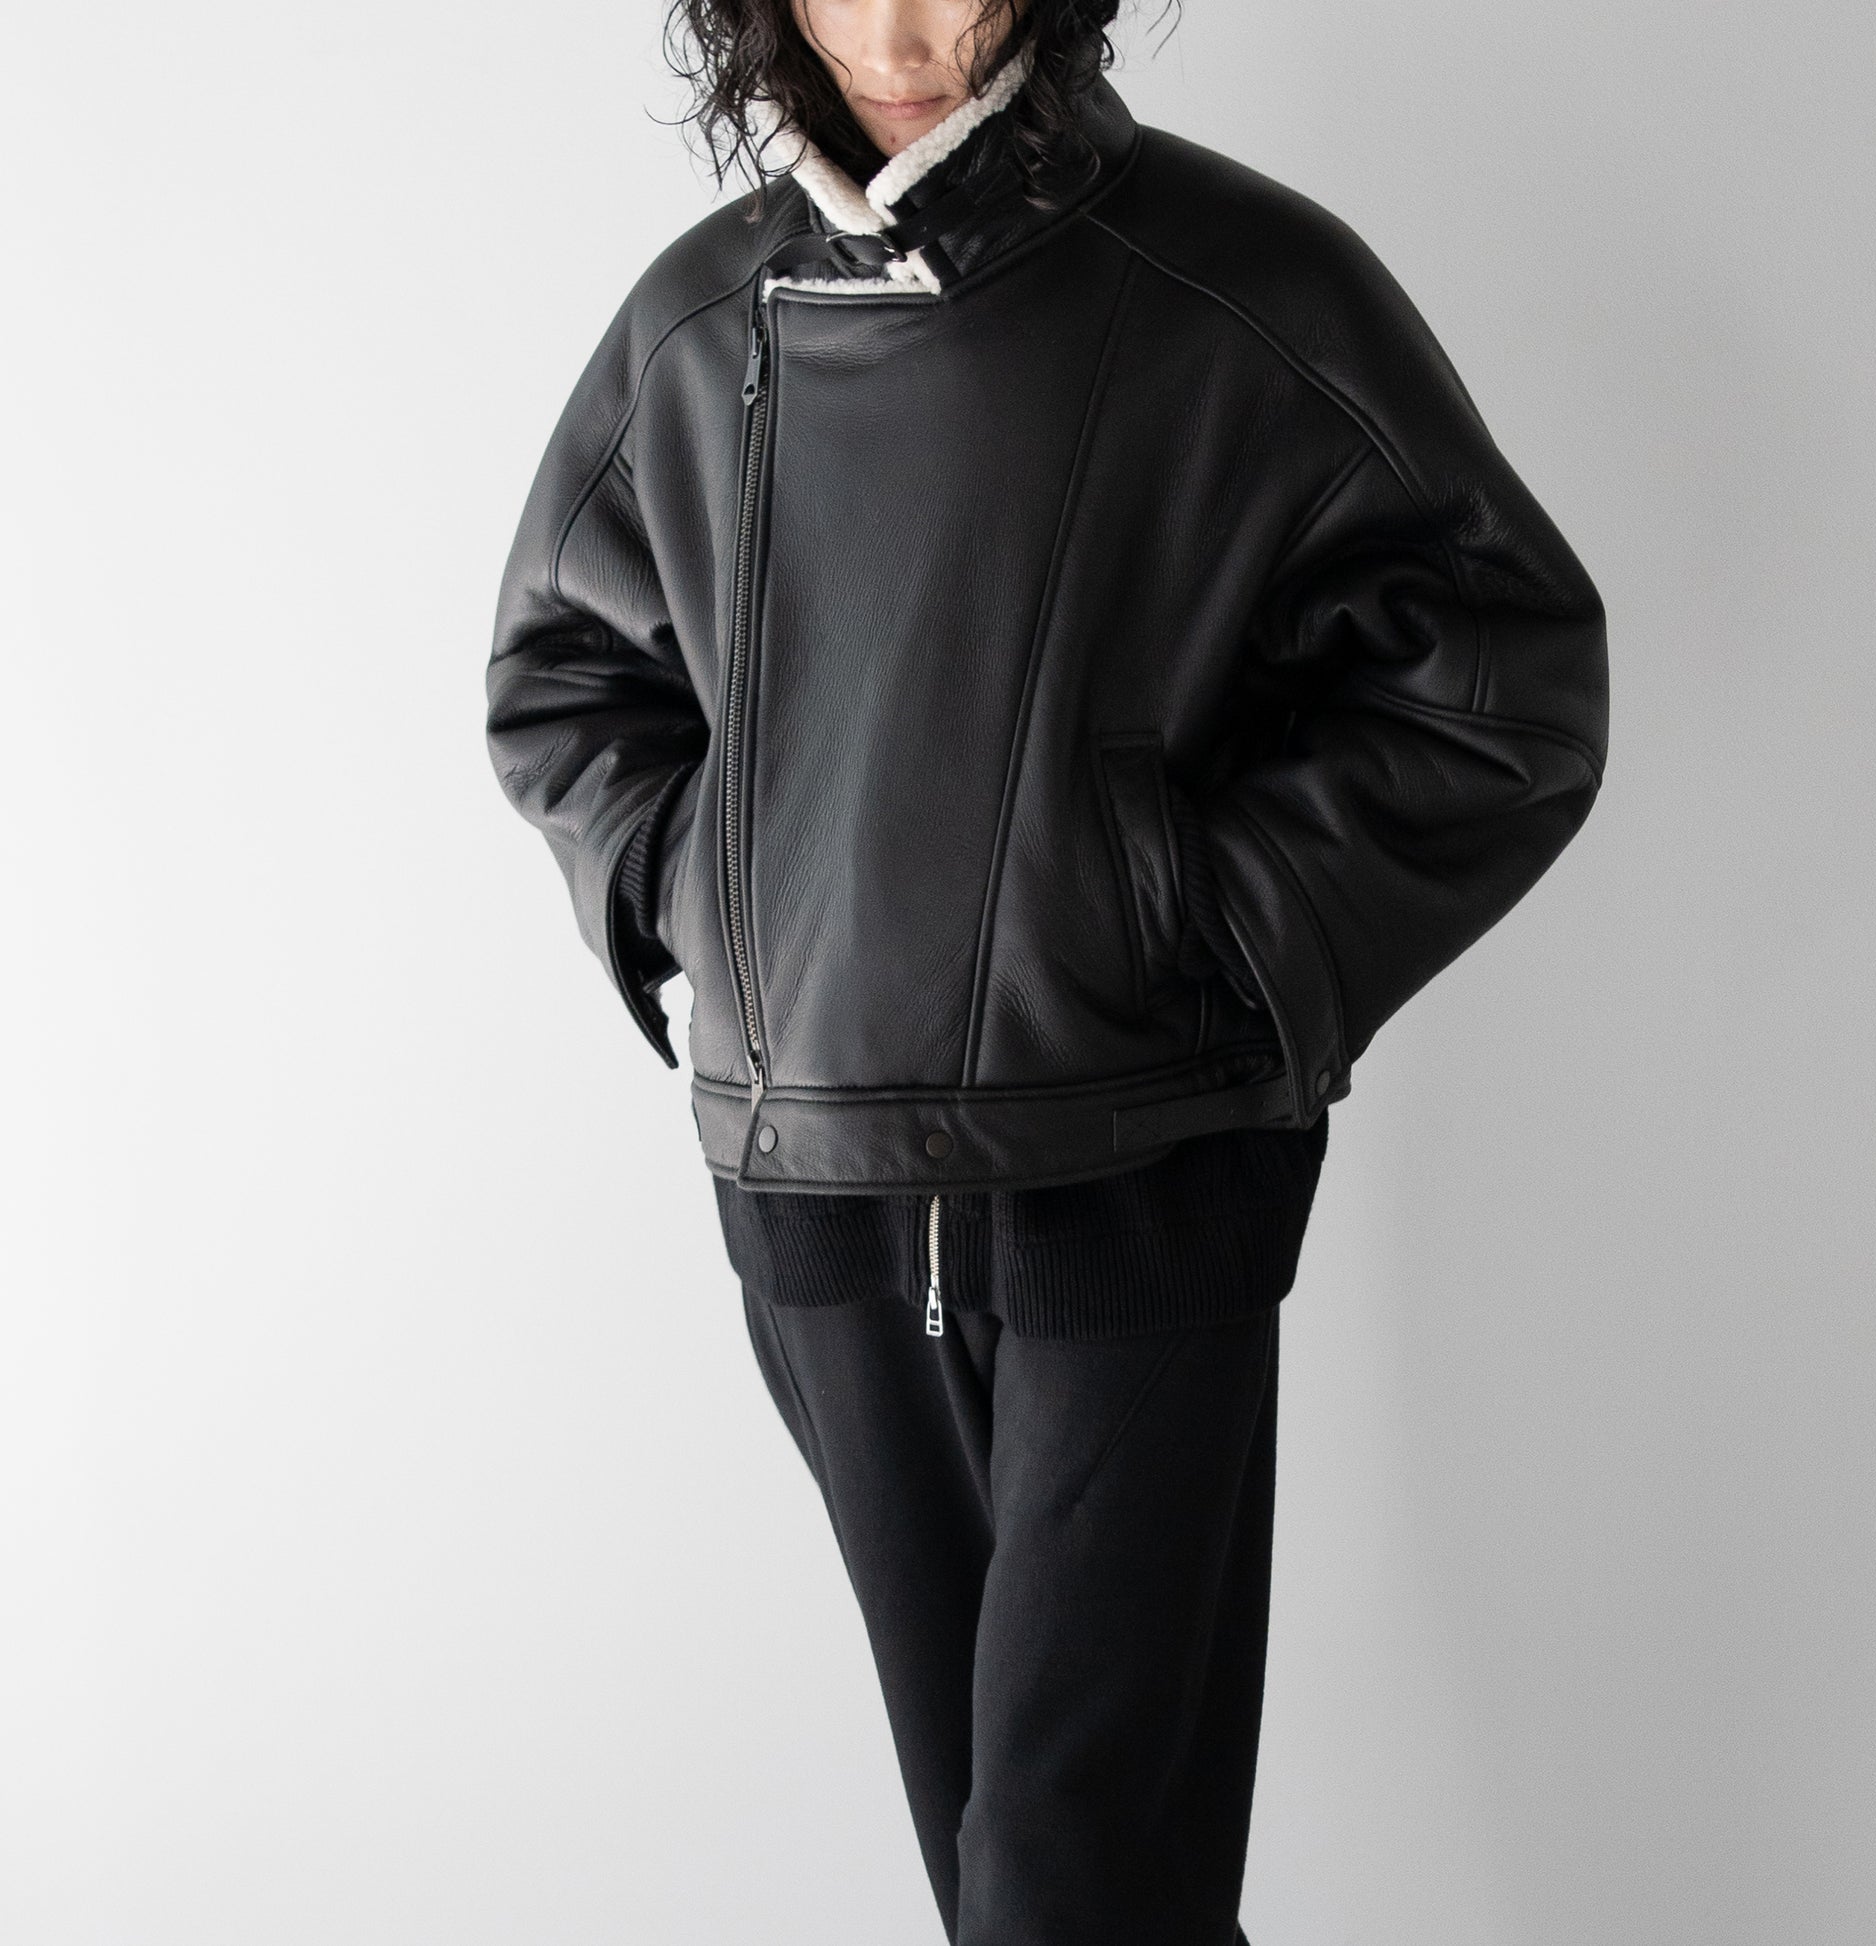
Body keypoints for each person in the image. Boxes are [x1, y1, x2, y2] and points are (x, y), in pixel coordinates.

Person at [484, 1, 1609, 1939]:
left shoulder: (1245, 289)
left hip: (1138, 1172)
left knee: (1071, 1875)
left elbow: (1503, 682)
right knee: (1008, 1865)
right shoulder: (696, 323)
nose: (899, 28)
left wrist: (1194, 929)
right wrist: (725, 909)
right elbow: (563, 680)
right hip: (819, 1199)